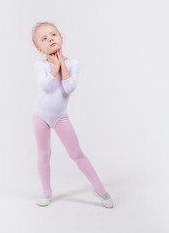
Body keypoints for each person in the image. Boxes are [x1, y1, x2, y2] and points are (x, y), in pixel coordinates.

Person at [31, 21, 113, 208]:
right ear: (39, 48)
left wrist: (62, 65)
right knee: (44, 153)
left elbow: (69, 88)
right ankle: (46, 192)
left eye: (53, 35)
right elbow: (46, 86)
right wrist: (54, 67)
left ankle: (100, 189)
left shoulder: (74, 63)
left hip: (60, 116)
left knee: (76, 152)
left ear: (61, 38)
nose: (50, 39)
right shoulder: (40, 64)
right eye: (44, 38)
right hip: (40, 115)